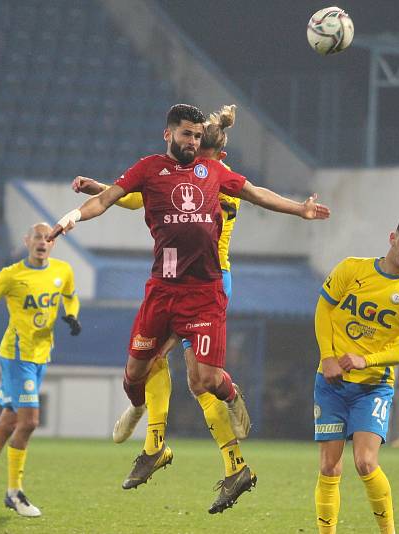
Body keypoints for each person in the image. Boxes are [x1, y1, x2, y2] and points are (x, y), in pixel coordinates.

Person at [49, 103, 330, 513]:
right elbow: (116, 198)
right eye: (186, 135)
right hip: (163, 290)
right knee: (137, 374)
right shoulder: (152, 170)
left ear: (206, 145)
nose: (192, 143)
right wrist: (76, 212)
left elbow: (256, 192)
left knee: (202, 382)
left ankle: (190, 425)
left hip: (206, 287)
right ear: (169, 134)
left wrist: (299, 209)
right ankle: (146, 418)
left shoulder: (214, 175)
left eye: (198, 137)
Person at [72, 105, 253, 512]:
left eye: (195, 145)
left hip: (202, 283)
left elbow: (144, 199)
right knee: (187, 377)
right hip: (199, 280)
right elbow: (140, 196)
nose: (188, 153)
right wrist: (100, 188)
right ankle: (228, 460)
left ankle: (155, 437)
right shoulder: (199, 172)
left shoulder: (213, 179)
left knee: (167, 367)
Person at [0, 222, 82, 518]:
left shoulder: (62, 271)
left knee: (9, 424)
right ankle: (14, 492)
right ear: (27, 241)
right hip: (16, 357)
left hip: (41, 356)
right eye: (37, 237)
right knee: (30, 422)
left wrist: (71, 315)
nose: (43, 241)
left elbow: (71, 296)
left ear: (53, 244)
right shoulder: (11, 275)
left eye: (48, 238)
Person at [313, 216, 399, 534]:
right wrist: (327, 358)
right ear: (392, 237)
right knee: (329, 466)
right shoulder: (352, 268)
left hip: (373, 387)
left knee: (365, 462)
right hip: (332, 383)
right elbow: (323, 309)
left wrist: (367, 360)